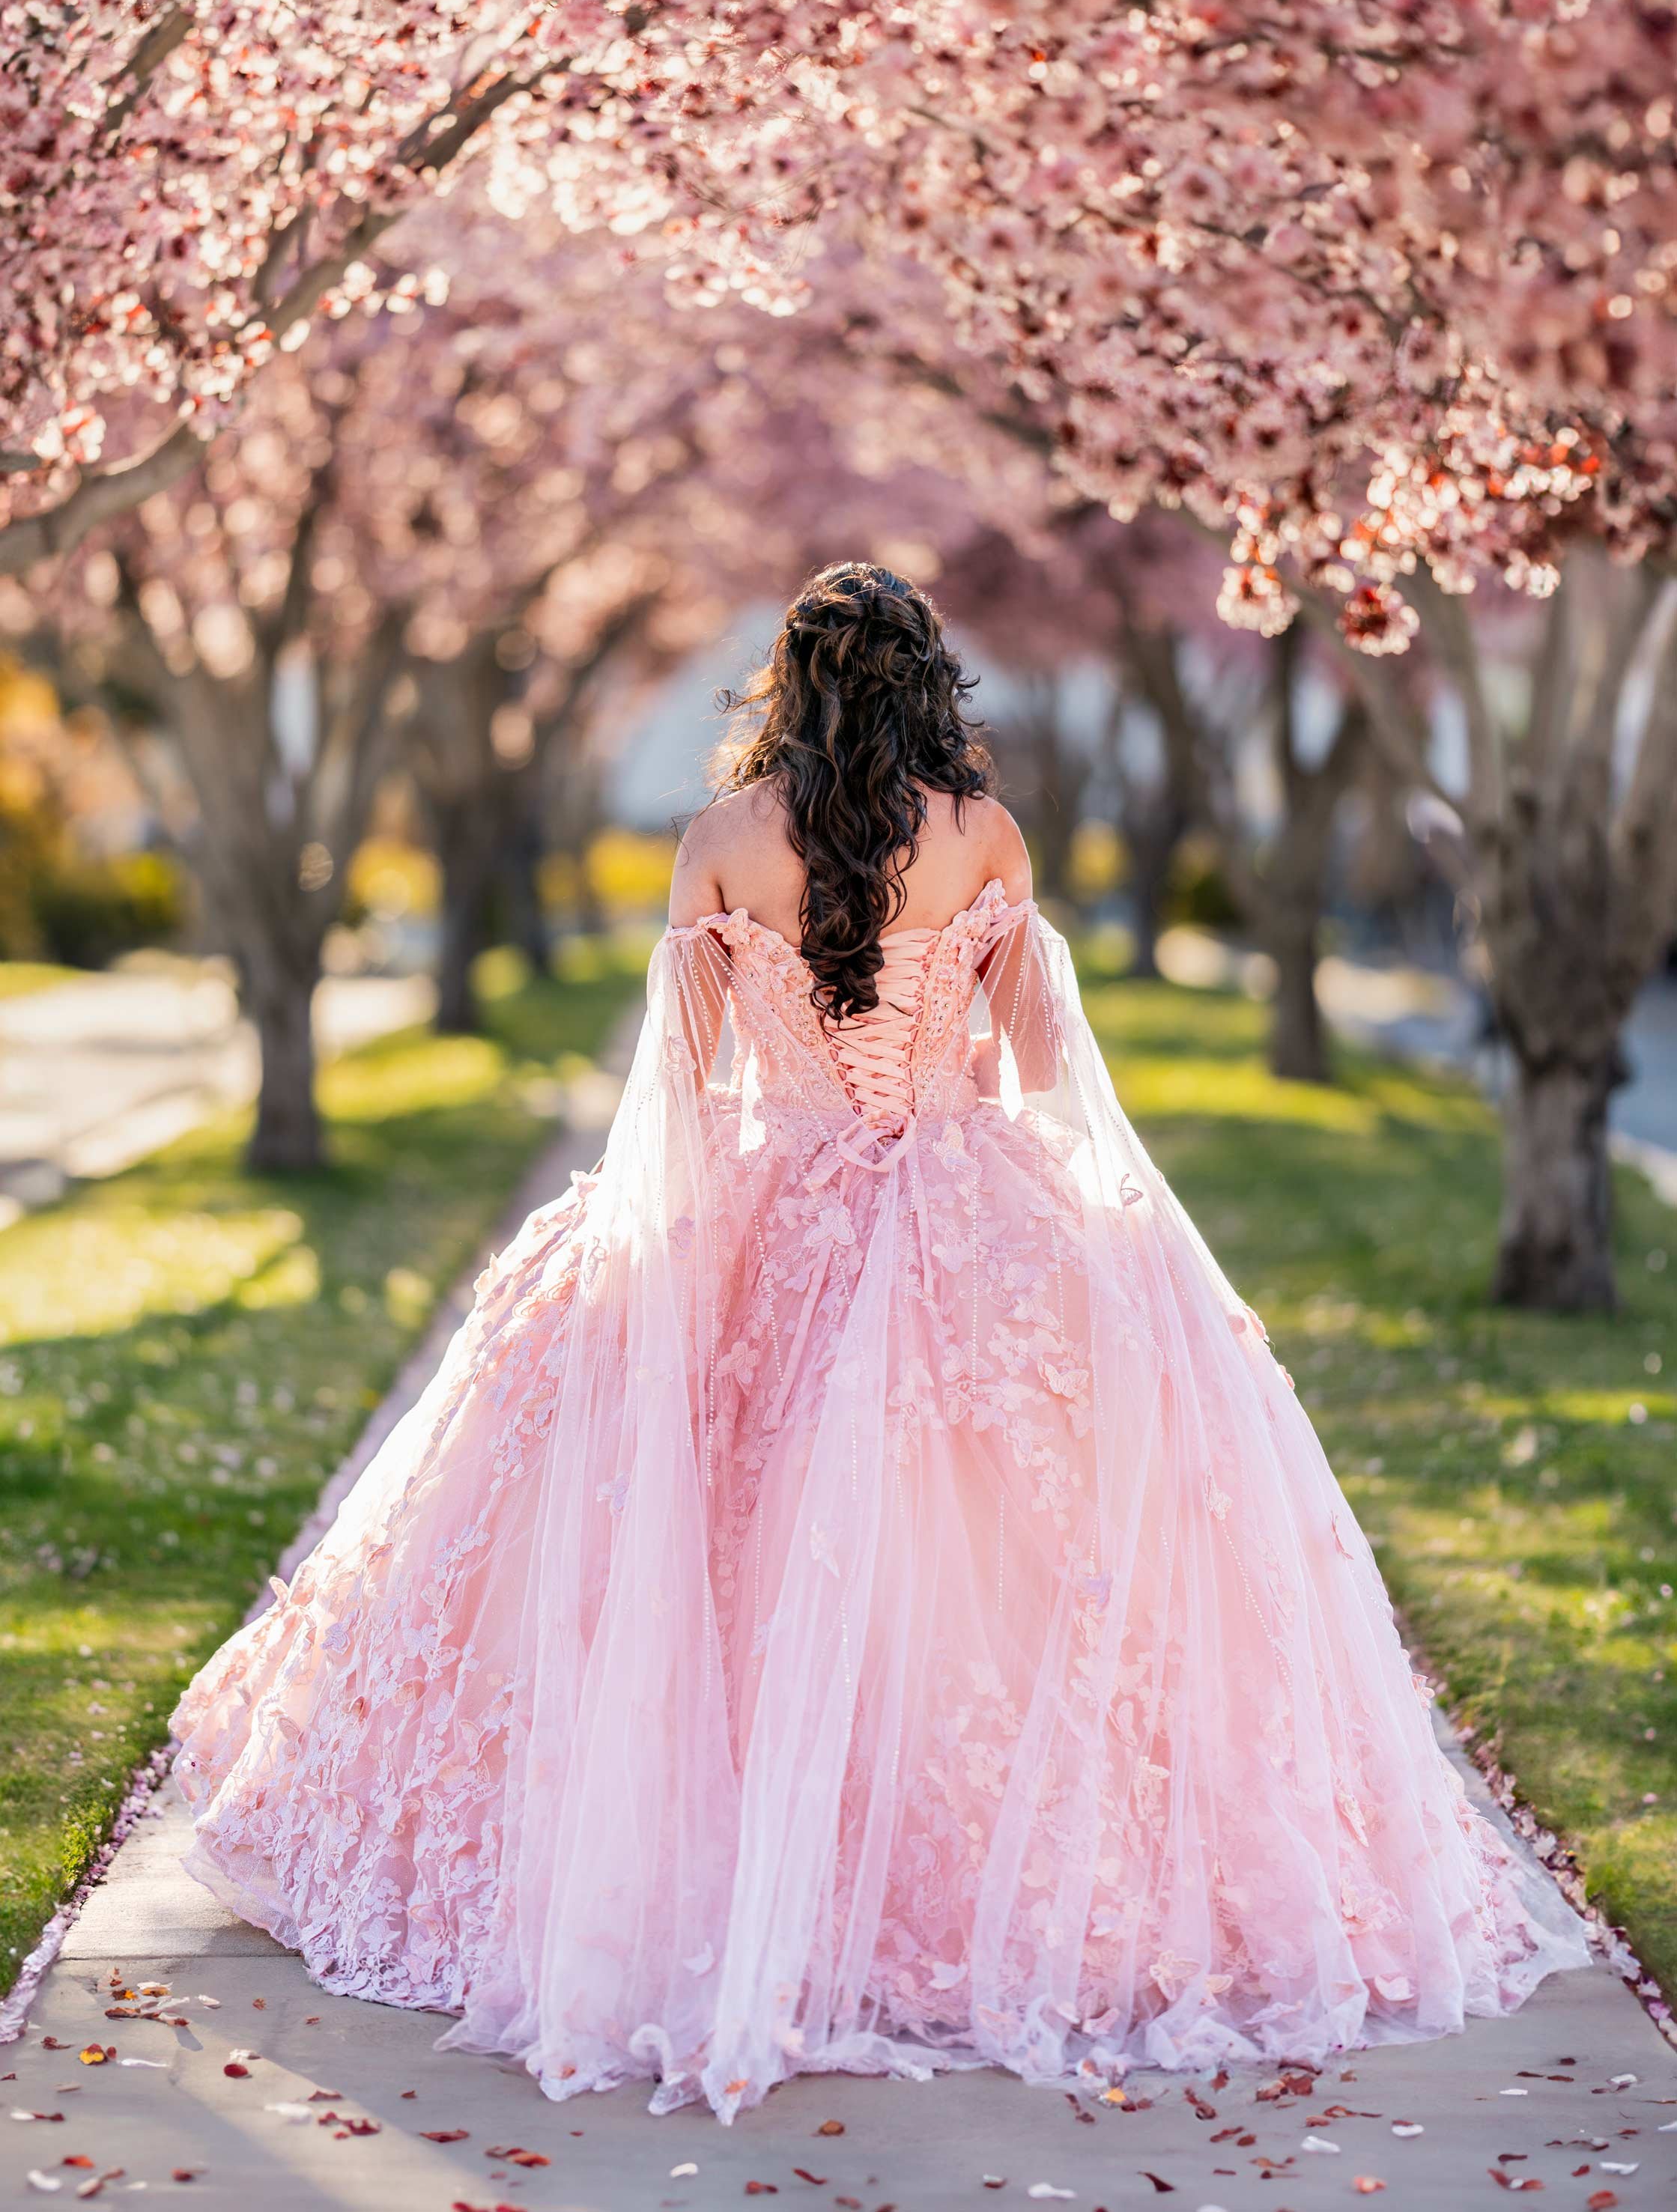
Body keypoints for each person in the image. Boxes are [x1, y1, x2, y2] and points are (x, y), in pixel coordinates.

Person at [172, 562, 1585, 2119]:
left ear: (787, 683)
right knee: (977, 1538)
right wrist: (955, 1024)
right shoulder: (981, 834)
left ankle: (763, 1865)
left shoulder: (717, 842)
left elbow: (687, 1084)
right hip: (960, 1189)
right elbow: (1039, 1060)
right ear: (926, 684)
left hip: (774, 1187)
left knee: (744, 1531)